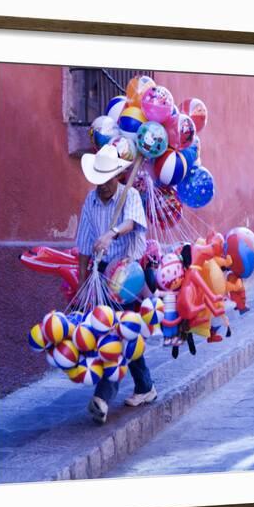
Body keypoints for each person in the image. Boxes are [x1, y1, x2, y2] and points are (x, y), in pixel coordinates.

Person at [77, 144, 157, 424]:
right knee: (124, 333)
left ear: (117, 177)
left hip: (127, 276)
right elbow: (84, 245)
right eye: (98, 180)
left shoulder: (129, 195)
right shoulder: (90, 201)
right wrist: (81, 284)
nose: (103, 186)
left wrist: (111, 233)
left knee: (117, 335)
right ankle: (145, 386)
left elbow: (133, 223)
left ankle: (102, 397)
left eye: (107, 180)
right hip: (101, 278)